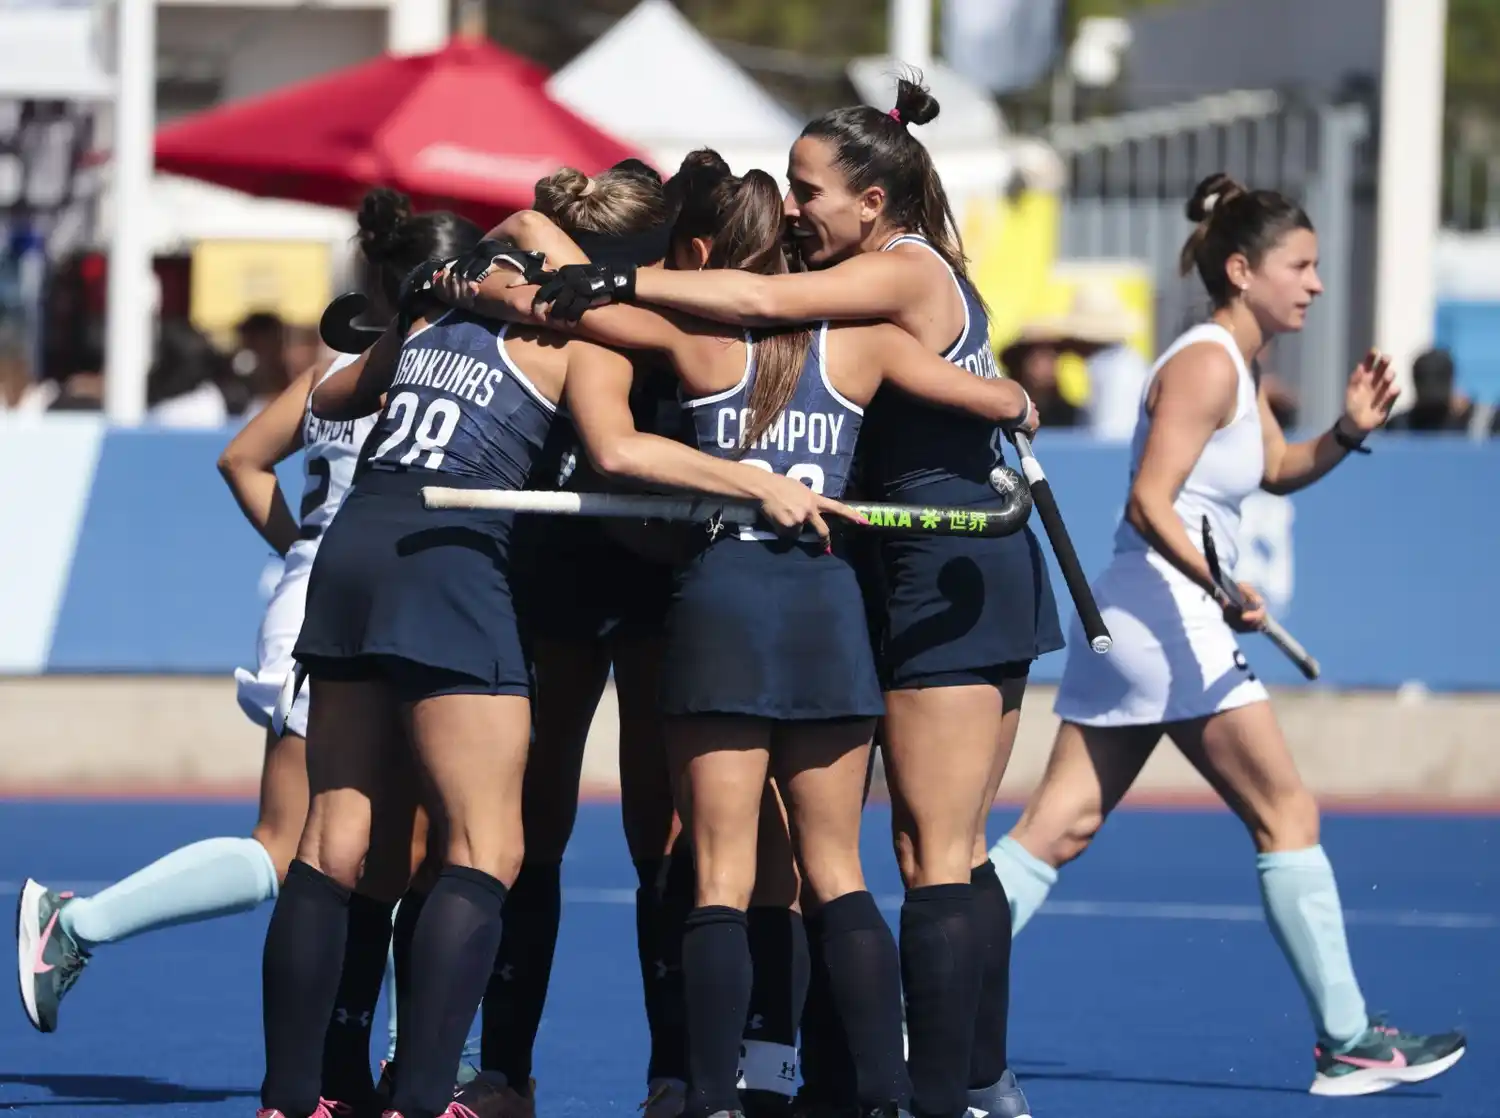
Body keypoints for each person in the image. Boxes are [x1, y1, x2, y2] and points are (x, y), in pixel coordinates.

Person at [446, 145, 1041, 1118]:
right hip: (827, 613)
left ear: (714, 260)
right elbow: (991, 395)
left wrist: (485, 272)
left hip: (722, 604)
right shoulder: (862, 341)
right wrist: (1013, 403)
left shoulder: (693, 339)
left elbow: (563, 306)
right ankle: (887, 1098)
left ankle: (712, 1095)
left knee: (720, 876)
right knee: (837, 870)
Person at [262, 187, 855, 1118]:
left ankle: (290, 1099)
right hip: (458, 562)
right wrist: (749, 480)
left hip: (358, 544)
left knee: (330, 838)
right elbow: (616, 452)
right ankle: (430, 1095)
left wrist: (439, 293)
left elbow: (332, 398)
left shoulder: (443, 303)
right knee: (490, 848)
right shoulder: (585, 329)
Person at [985, 172, 1467, 1098]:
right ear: (1243, 270)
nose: (1316, 284)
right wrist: (1219, 582)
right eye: (1303, 265)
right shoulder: (1207, 362)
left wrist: (1345, 432)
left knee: (1059, 828)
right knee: (1286, 814)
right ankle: (1350, 1044)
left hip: (1147, 615)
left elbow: (1275, 470)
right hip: (1169, 617)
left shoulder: (1233, 367)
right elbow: (1148, 500)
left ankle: (902, 1002)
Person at [14, 188, 414, 1043]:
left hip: (322, 600)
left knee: (373, 842)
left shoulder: (337, 374)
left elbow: (243, 461)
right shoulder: (433, 374)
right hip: (348, 615)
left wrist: (307, 544)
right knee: (297, 844)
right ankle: (77, 925)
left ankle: (396, 1051)